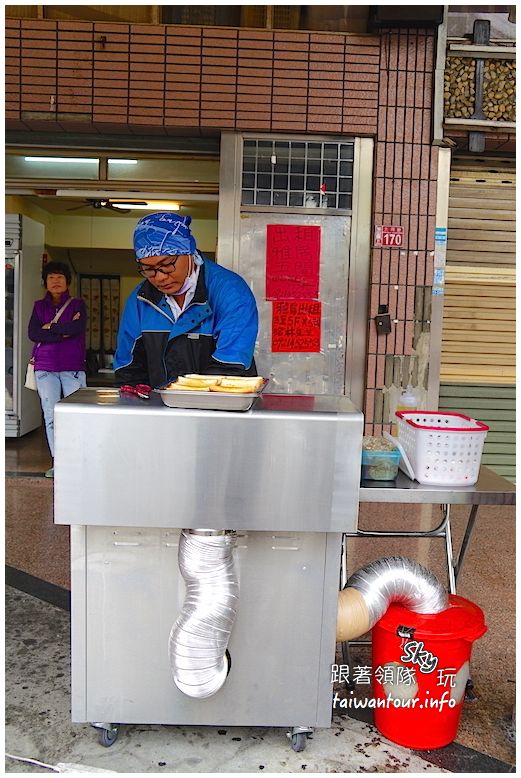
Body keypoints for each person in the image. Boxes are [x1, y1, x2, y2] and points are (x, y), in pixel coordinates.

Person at [114, 212, 259, 388]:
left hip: (222, 408)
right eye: (148, 269)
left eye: (167, 265)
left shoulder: (231, 292)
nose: (159, 277)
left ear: (189, 252)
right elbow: (128, 371)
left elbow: (230, 368)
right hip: (162, 411)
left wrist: (184, 404)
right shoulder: (140, 300)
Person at [28, 261, 87, 478]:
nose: (55, 281)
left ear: (67, 281)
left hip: (72, 367)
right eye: (51, 277)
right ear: (45, 282)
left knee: (77, 415)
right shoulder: (38, 306)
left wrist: (50, 327)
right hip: (45, 368)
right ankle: (59, 462)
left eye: (60, 277)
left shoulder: (78, 304)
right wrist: (62, 331)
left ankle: (79, 460)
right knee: (51, 416)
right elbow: (33, 333)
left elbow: (77, 328)